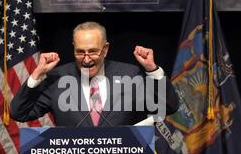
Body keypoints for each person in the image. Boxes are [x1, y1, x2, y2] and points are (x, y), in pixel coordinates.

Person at [10, 21, 179, 125]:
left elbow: (169, 107)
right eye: (80, 51)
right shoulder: (58, 78)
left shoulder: (130, 75)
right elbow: (19, 113)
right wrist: (37, 75)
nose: (86, 59)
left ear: (105, 50)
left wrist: (152, 70)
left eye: (92, 51)